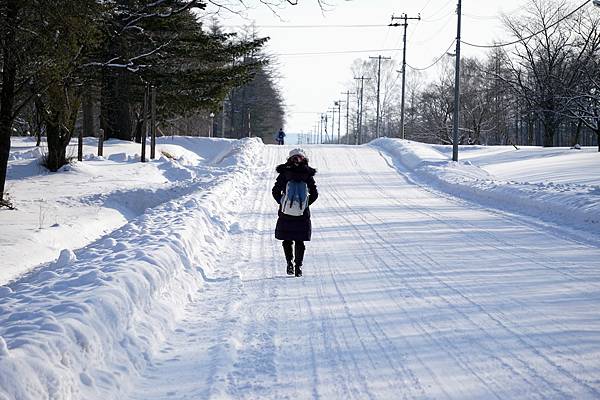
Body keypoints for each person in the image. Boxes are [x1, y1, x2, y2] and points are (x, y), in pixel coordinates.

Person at [272, 148, 318, 277]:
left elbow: (275, 190)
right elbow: (314, 193)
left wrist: (283, 203)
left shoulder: (284, 173)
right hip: (302, 214)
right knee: (299, 241)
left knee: (287, 239)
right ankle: (298, 267)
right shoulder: (308, 174)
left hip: (285, 213)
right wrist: (304, 205)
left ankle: (289, 264)